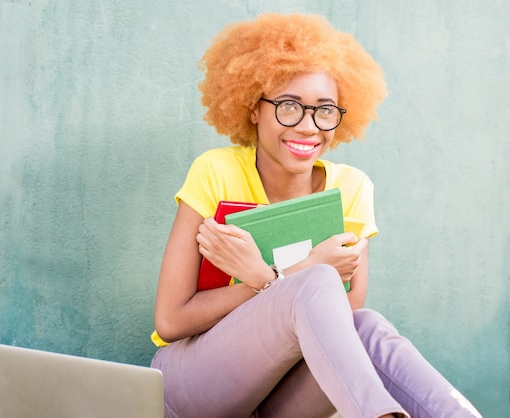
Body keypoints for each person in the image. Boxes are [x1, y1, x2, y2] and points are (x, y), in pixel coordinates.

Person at [150, 13, 482, 418]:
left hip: (278, 395)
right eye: (289, 107)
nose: (308, 127)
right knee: (320, 277)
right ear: (253, 109)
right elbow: (170, 320)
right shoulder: (216, 171)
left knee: (368, 327)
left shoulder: (352, 189)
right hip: (193, 383)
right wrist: (288, 277)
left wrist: (263, 275)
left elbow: (345, 315)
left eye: (324, 111)